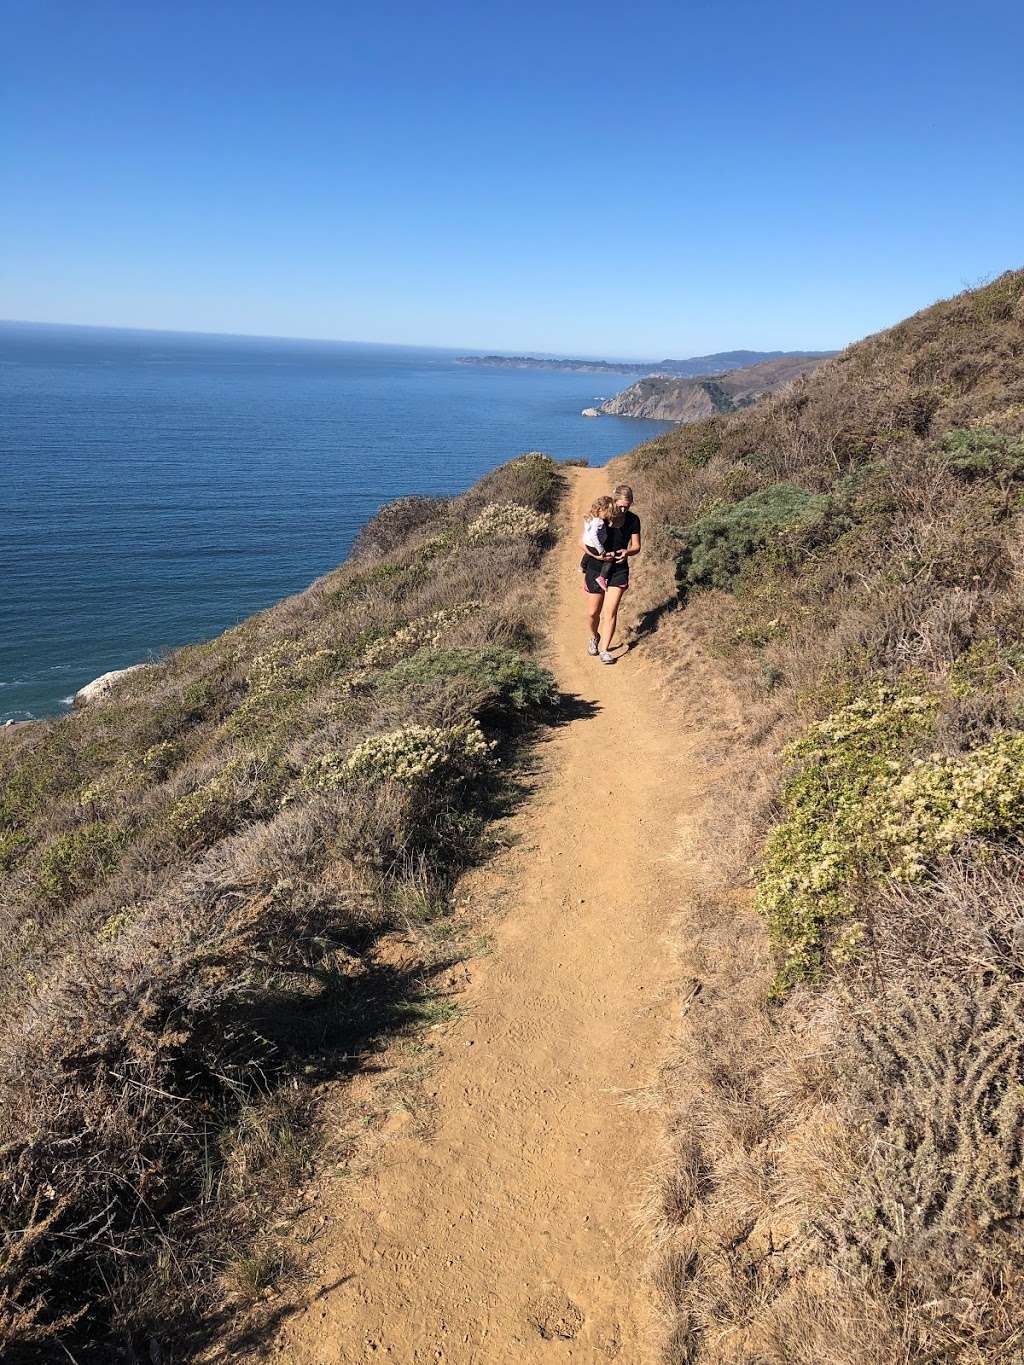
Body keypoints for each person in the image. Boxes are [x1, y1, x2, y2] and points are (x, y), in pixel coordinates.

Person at [580, 483, 641, 663]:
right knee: (592, 613)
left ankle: (605, 650)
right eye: (620, 505)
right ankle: (594, 637)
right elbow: (581, 542)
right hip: (596, 568)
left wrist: (627, 552)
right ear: (614, 501)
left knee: (610, 612)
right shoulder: (602, 517)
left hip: (619, 570)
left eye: (627, 506)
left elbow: (637, 546)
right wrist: (597, 556)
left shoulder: (633, 520)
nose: (623, 509)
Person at [582, 495, 616, 591]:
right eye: (608, 512)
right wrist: (601, 550)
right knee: (609, 559)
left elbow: (587, 530)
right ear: (601, 509)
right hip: (595, 546)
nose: (609, 515)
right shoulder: (599, 521)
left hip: (587, 543)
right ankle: (602, 577)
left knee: (588, 553)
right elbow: (594, 535)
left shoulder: (590, 516)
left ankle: (583, 566)